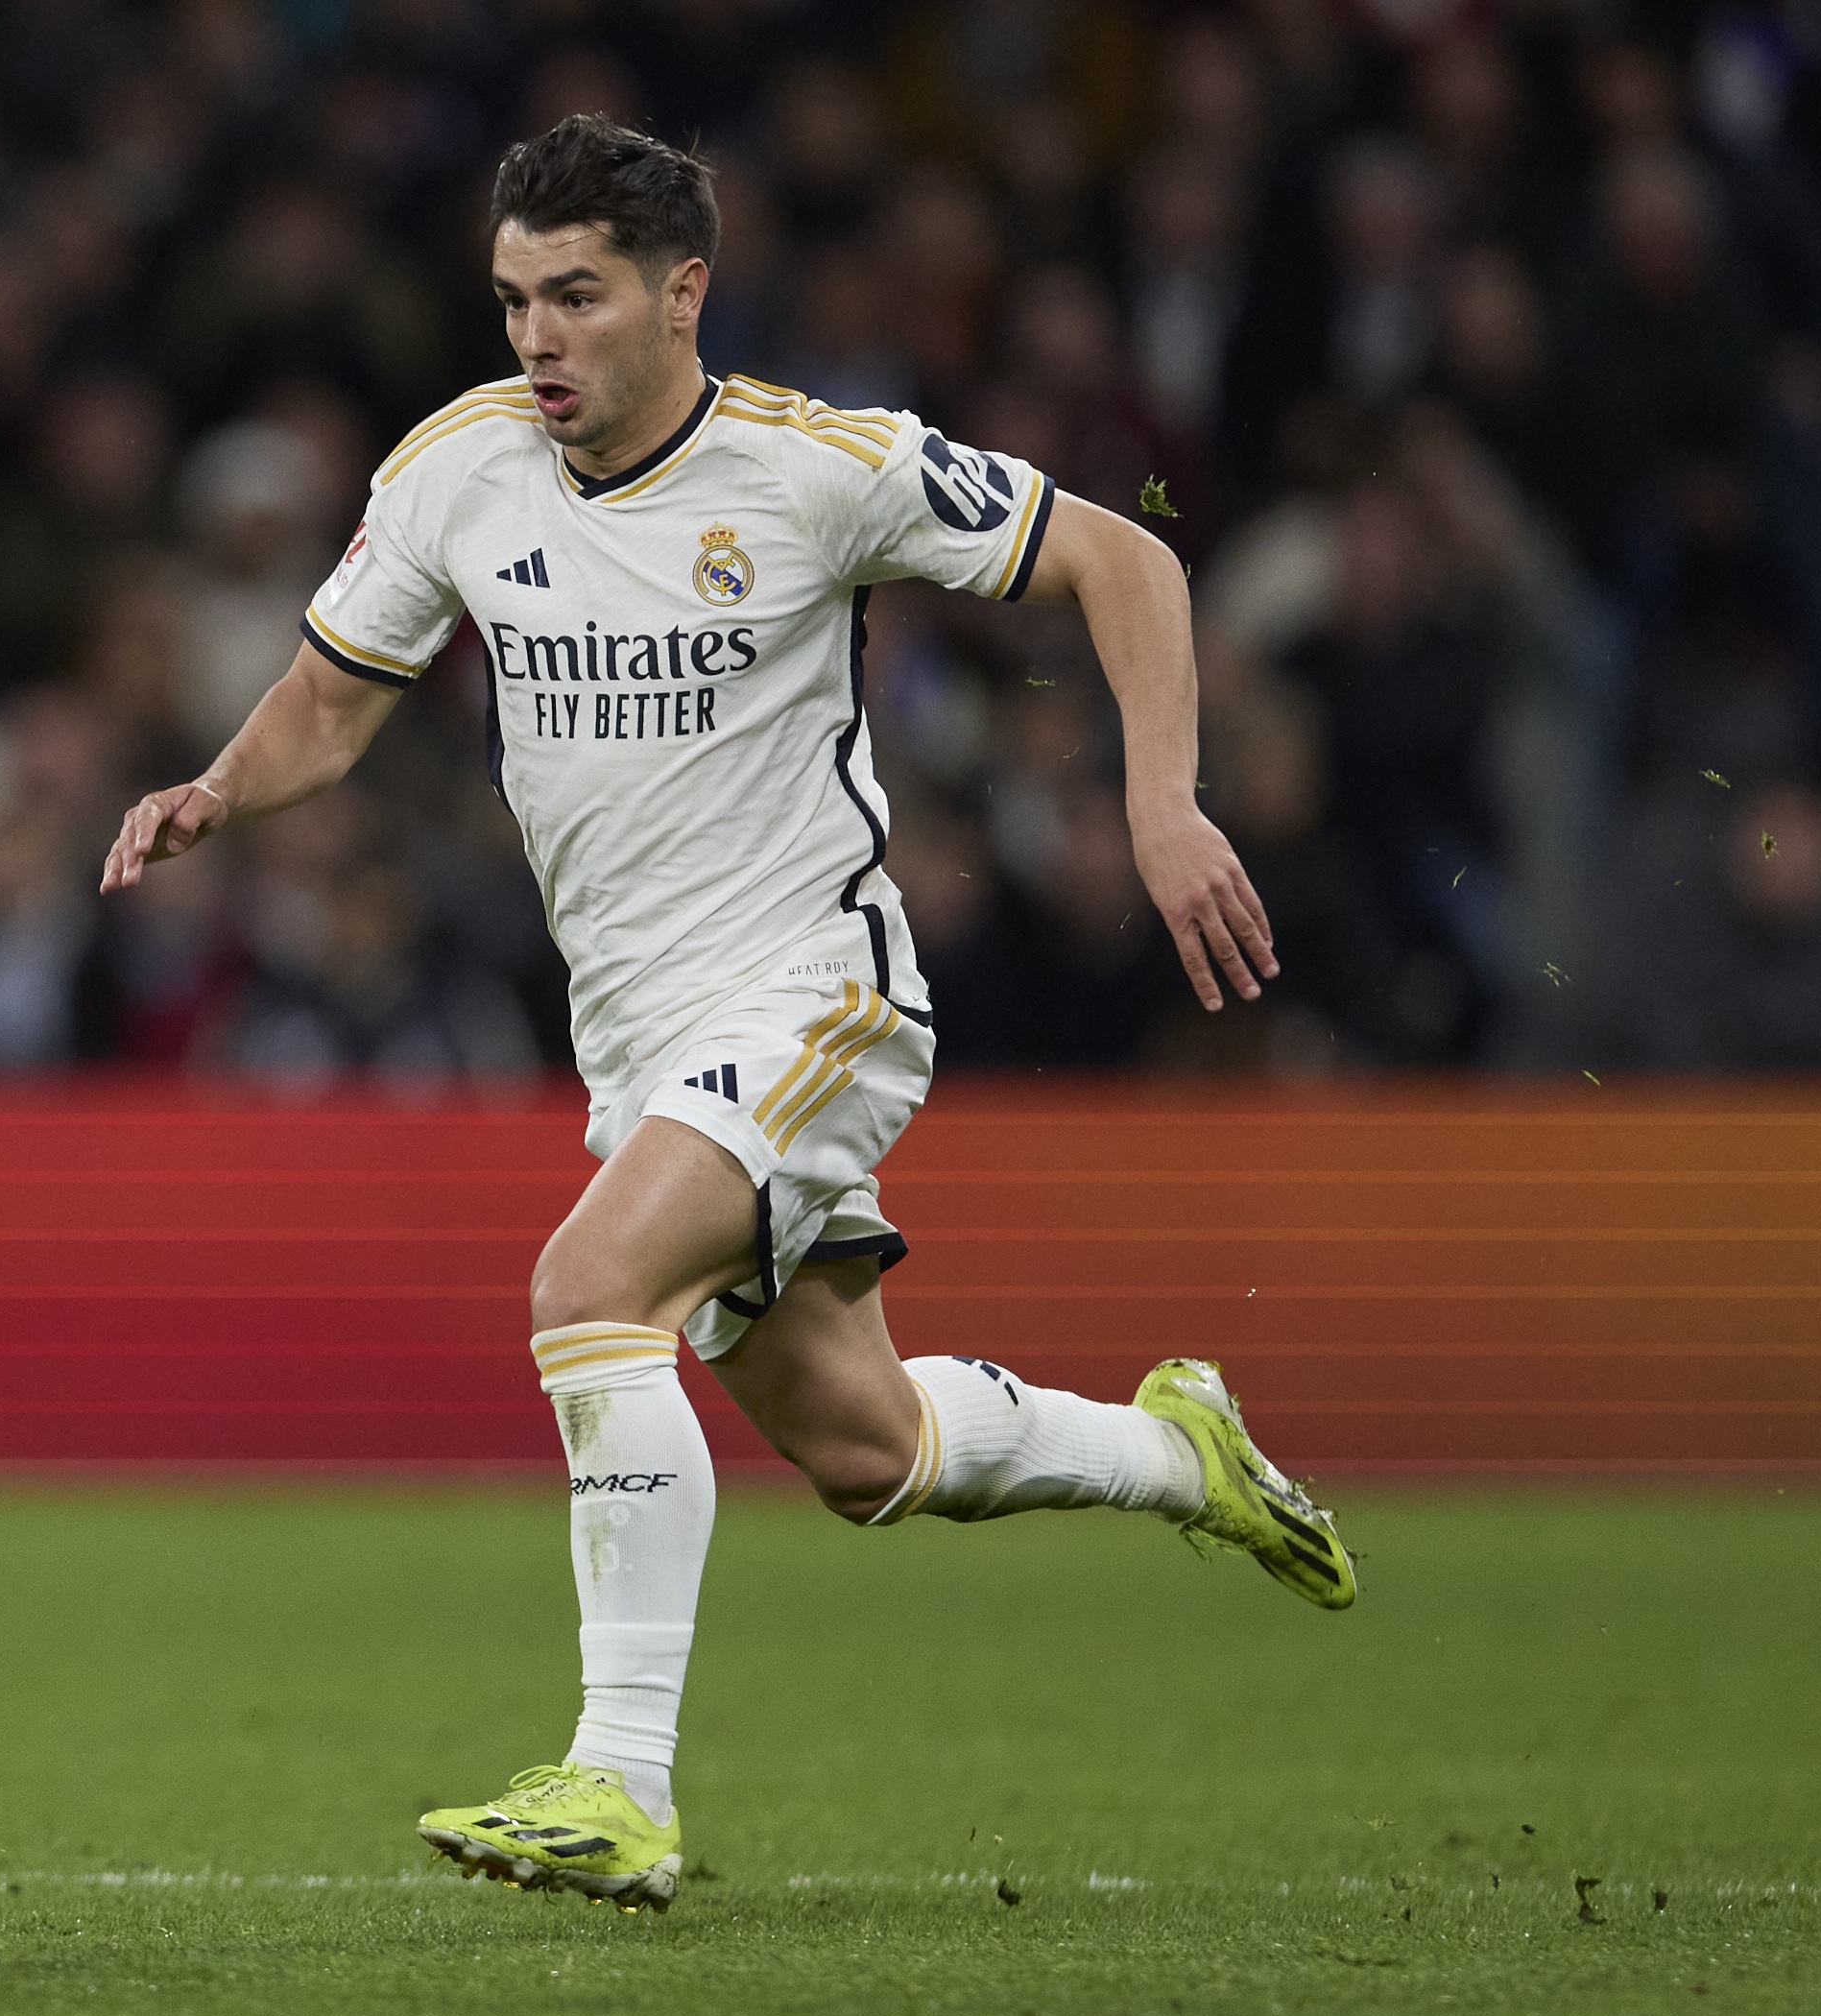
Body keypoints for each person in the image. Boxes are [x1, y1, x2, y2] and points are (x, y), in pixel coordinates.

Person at [99, 117, 1354, 1915]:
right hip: (641, 1047)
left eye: (578, 297)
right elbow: (329, 698)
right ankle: (1180, 1451)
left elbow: (1127, 563)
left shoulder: (811, 466)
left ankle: (618, 1784)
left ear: (683, 292)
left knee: (585, 1292)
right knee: (868, 1452)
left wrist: (1161, 805)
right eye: (515, 299)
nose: (537, 338)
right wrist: (217, 790)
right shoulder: (460, 471)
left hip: (816, 992)